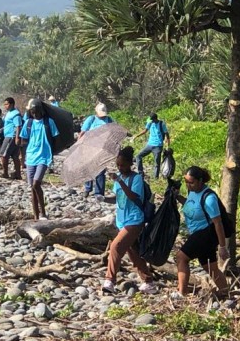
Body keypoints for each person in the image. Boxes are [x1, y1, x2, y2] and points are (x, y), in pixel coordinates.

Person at [102, 146, 158, 295]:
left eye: (123, 165)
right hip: (122, 220)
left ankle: (110, 280)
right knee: (133, 252)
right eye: (118, 165)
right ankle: (148, 281)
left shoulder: (136, 178)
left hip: (135, 220)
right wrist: (103, 198)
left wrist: (120, 181)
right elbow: (117, 198)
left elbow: (134, 196)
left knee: (115, 246)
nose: (120, 168)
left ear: (130, 164)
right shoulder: (119, 179)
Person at [171, 166, 229, 299]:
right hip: (197, 233)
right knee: (210, 267)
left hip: (205, 234)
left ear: (200, 181)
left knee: (181, 257)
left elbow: (218, 223)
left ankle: (182, 292)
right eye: (186, 182)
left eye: (191, 182)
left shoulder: (209, 198)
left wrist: (222, 247)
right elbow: (190, 205)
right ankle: (226, 293)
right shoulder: (192, 191)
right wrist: (178, 197)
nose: (188, 185)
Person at [20, 99, 59, 220]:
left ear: (42, 111)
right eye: (32, 112)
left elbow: (56, 138)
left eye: (36, 112)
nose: (35, 114)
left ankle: (43, 212)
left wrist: (52, 152)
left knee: (36, 183)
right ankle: (36, 216)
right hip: (31, 157)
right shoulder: (28, 123)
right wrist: (23, 157)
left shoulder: (49, 122)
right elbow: (23, 139)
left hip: (44, 157)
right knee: (32, 187)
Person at [79, 102, 114, 200]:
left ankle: (99, 193)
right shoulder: (91, 119)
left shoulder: (109, 119)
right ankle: (87, 188)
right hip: (89, 147)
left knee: (100, 170)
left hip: (103, 148)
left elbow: (114, 129)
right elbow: (83, 132)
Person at [133, 112, 170, 179]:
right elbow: (145, 131)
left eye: (153, 120)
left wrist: (168, 145)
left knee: (157, 163)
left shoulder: (161, 124)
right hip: (149, 145)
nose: (152, 121)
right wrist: (136, 136)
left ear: (155, 119)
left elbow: (167, 134)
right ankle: (141, 173)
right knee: (138, 156)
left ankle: (156, 178)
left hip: (158, 146)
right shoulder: (150, 122)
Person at [0, 97, 23, 179]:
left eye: (7, 104)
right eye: (4, 104)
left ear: (12, 104)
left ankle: (5, 173)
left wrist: (17, 137)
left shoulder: (15, 114)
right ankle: (18, 174)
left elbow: (18, 126)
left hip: (11, 136)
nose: (5, 106)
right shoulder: (9, 113)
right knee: (14, 156)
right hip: (8, 135)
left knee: (4, 155)